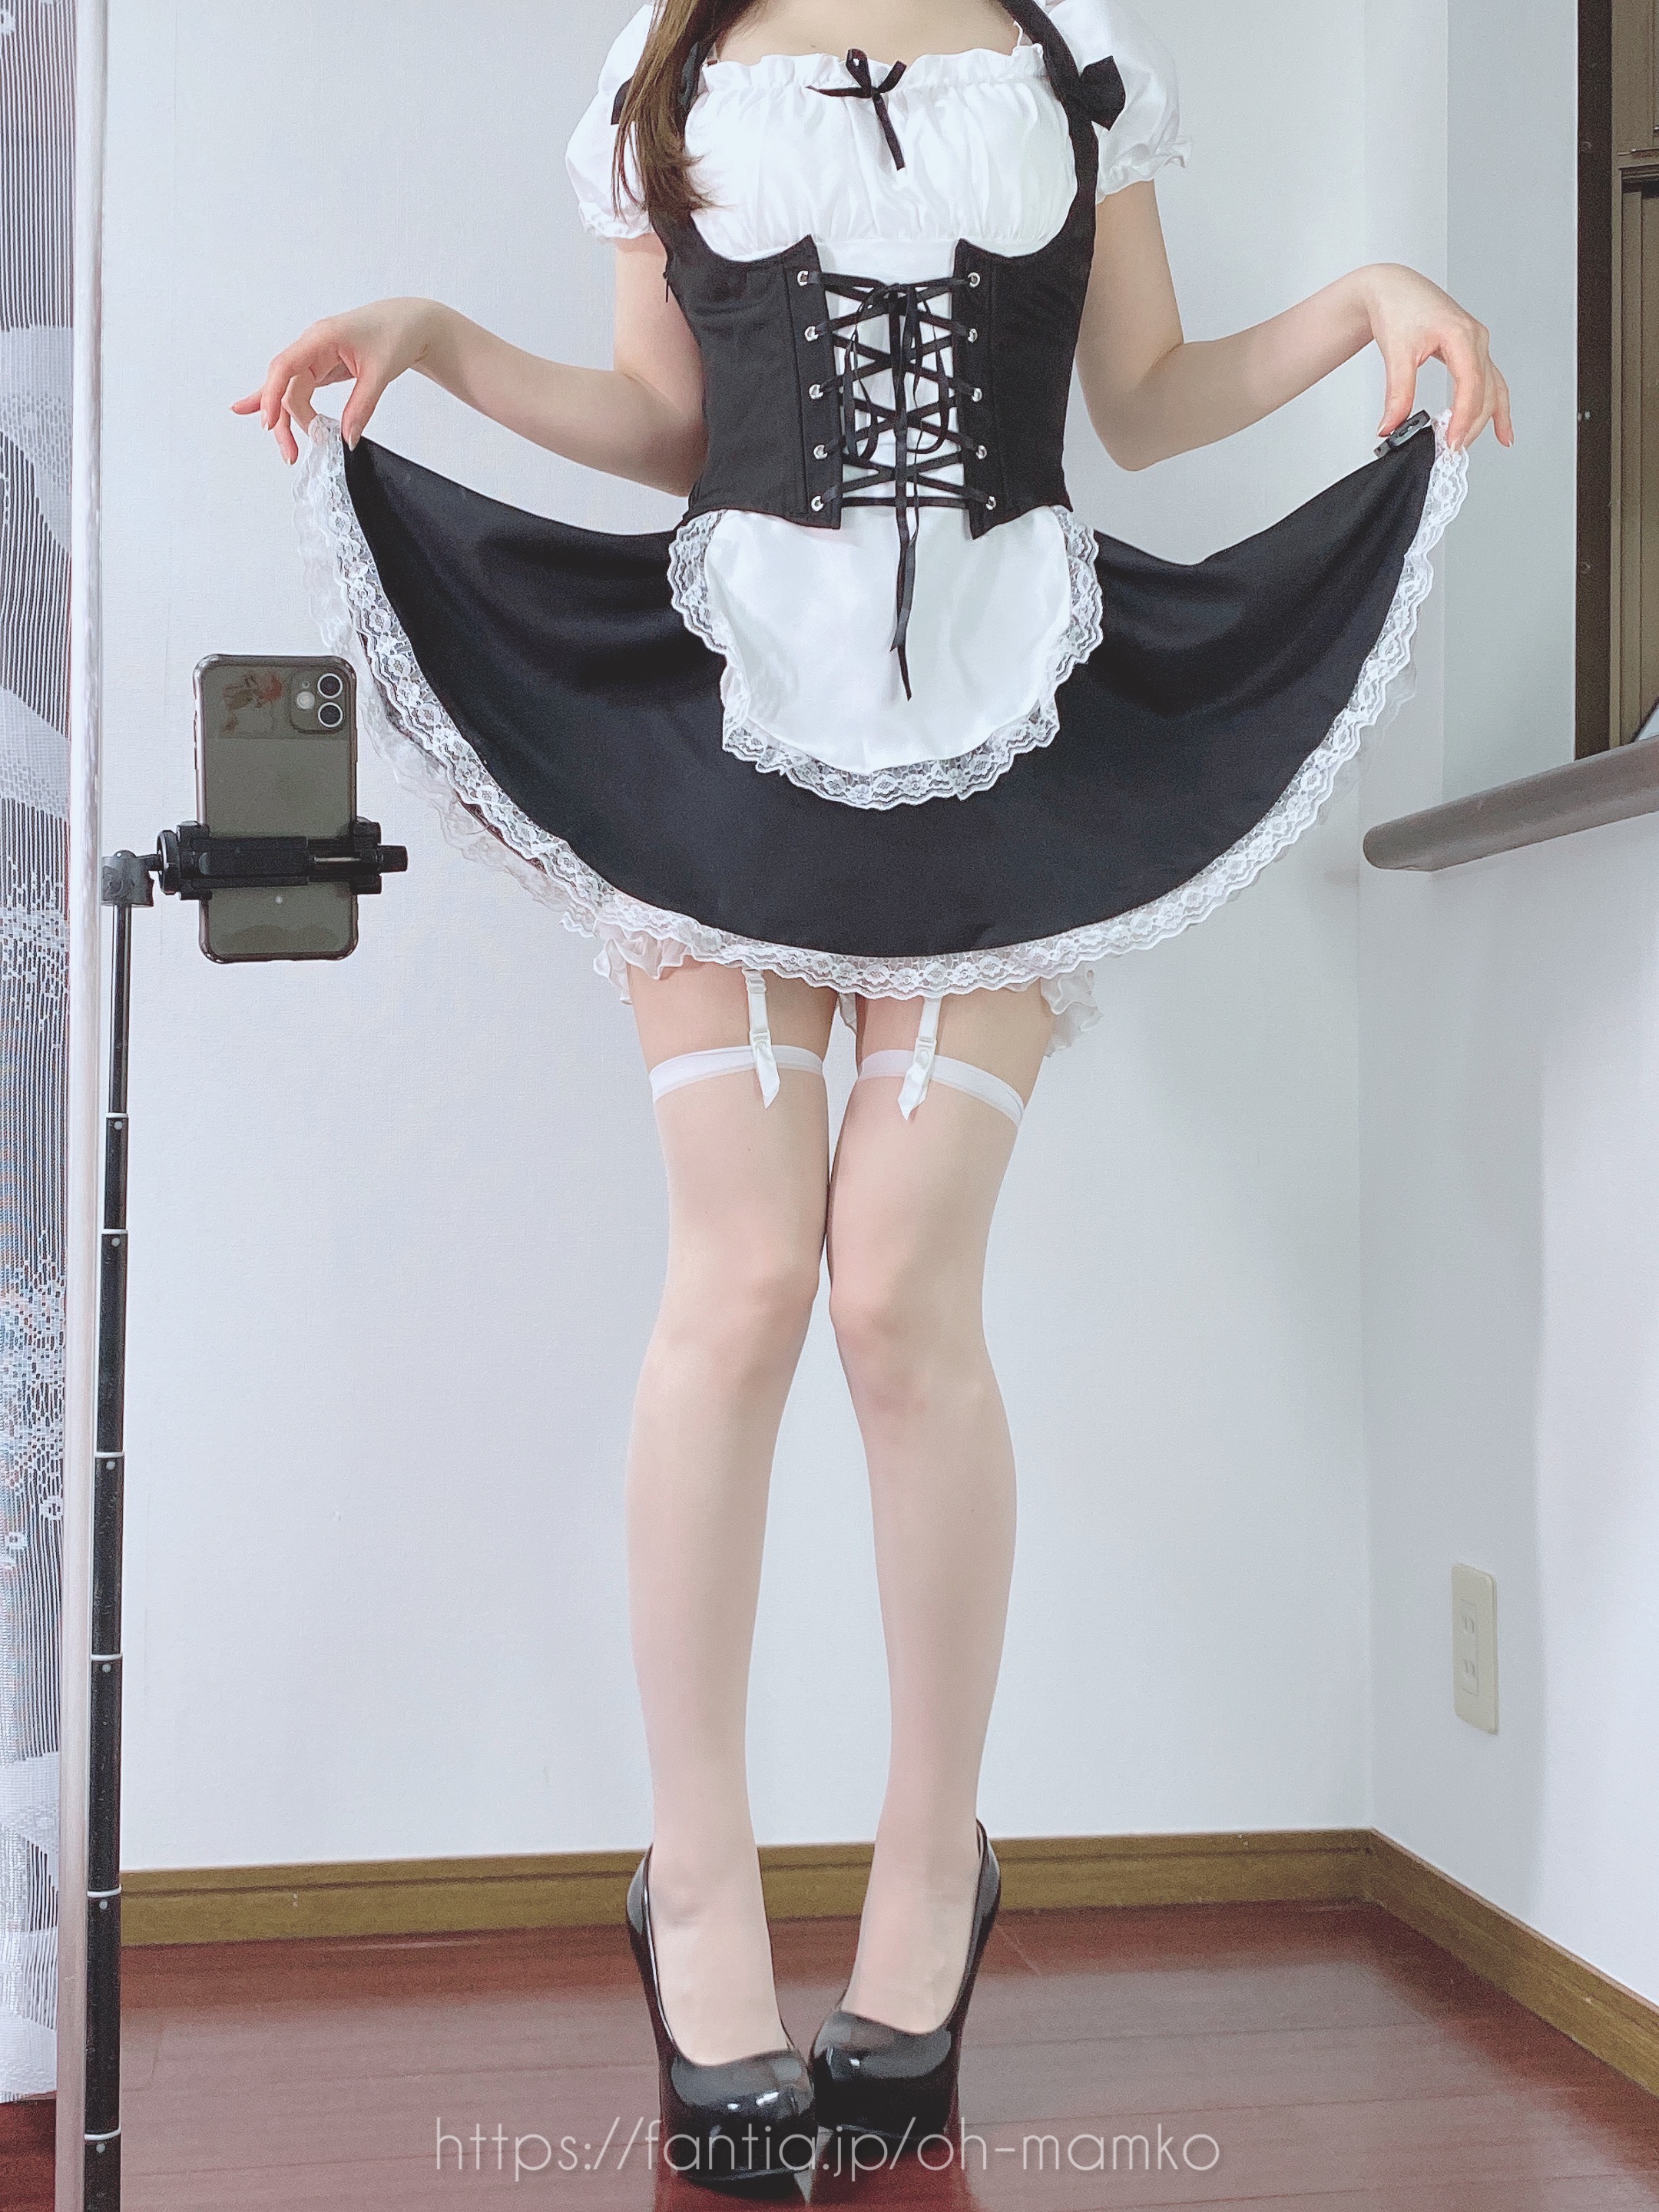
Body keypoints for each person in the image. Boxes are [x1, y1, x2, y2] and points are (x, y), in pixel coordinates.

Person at [238, 0, 1510, 2184]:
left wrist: (1364, 306)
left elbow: (1143, 401)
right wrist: (435, 342)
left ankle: (932, 1875)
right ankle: (700, 1891)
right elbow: (664, 420)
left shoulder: (1070, 50)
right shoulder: (672, 57)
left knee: (902, 1303)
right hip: (728, 706)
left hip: (1011, 709)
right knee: (739, 1288)